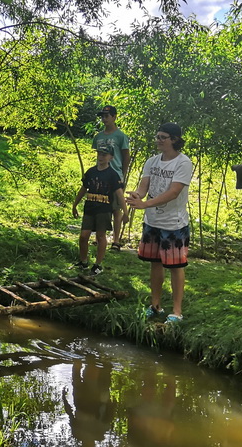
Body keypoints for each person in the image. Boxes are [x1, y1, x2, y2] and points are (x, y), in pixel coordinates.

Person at [126, 122, 193, 324]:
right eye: (157, 137)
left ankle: (177, 312)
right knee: (155, 263)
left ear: (174, 139)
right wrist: (136, 196)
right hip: (152, 221)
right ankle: (155, 306)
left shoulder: (183, 163)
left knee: (175, 266)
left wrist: (144, 204)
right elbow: (144, 187)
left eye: (162, 137)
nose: (158, 140)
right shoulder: (152, 161)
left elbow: (174, 192)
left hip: (174, 223)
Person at [71, 142, 126, 275]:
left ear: (111, 157)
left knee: (101, 236)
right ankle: (83, 262)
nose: (101, 157)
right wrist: (75, 205)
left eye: (104, 155)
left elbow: (119, 194)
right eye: (99, 154)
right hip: (89, 207)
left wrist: (125, 212)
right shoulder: (91, 172)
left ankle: (98, 265)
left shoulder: (113, 175)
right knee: (83, 236)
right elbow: (83, 189)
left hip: (104, 209)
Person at [92, 105, 131, 249]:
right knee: (100, 205)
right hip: (101, 175)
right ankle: (99, 237)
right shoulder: (98, 136)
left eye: (107, 116)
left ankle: (116, 240)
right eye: (102, 116)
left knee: (116, 208)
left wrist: (123, 174)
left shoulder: (121, 136)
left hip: (115, 175)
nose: (104, 119)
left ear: (114, 117)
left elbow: (126, 156)